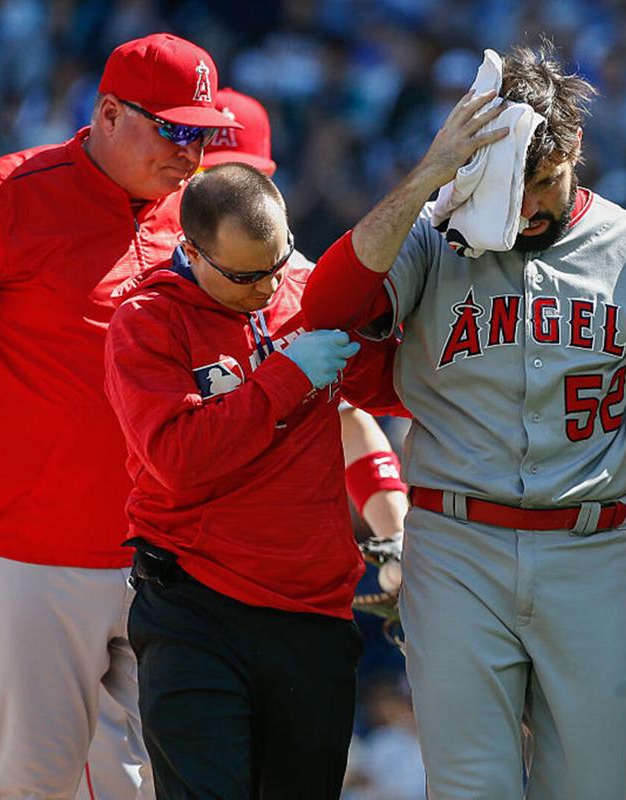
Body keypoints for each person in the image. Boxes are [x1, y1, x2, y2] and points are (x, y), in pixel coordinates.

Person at [301, 43, 626, 800]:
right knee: (473, 787)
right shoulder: (431, 237)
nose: (526, 207)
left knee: (592, 788)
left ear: (575, 149)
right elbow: (324, 312)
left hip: (591, 546)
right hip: (454, 546)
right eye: (509, 183)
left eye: (541, 181)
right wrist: (427, 177)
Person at [0, 33, 239, 799]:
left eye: (205, 133)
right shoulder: (2, 196)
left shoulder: (203, 216)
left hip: (169, 559)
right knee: (32, 783)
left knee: (149, 786)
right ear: (108, 113)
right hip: (29, 552)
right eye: (174, 129)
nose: (192, 152)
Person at [104, 163, 403, 797]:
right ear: (190, 252)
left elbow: (387, 394)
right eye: (244, 276)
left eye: (277, 262)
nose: (267, 287)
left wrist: (381, 324)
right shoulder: (148, 318)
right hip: (196, 604)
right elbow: (179, 459)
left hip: (312, 611)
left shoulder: (305, 289)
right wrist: (289, 375)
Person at [201, 86, 410, 564]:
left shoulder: (308, 290)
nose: (220, 200)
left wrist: (395, 536)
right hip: (169, 559)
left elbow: (347, 419)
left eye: (238, 178)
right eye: (204, 178)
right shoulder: (147, 298)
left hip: (286, 565)